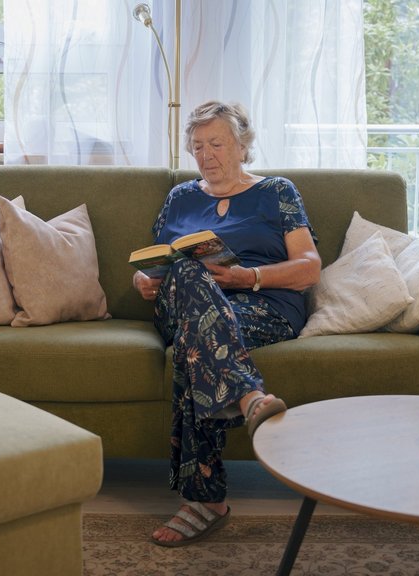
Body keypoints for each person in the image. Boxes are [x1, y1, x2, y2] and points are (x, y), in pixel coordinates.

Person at [132, 100, 321, 547]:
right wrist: (143, 279)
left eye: (216, 143)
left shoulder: (277, 191)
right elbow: (158, 262)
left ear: (241, 145)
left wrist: (246, 276)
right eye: (197, 146)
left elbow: (309, 267)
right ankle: (249, 396)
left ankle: (205, 500)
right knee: (187, 270)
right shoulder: (181, 196)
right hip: (184, 302)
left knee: (191, 349)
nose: (206, 154)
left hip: (261, 303)